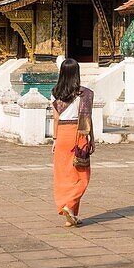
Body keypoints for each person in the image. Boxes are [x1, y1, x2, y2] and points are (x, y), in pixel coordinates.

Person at [50, 58, 93, 227]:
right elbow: (87, 119)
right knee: (82, 175)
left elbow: (55, 118)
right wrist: (92, 139)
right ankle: (69, 205)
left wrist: (54, 139)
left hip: (61, 134)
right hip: (78, 134)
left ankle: (72, 215)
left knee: (63, 174)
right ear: (77, 73)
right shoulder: (84, 93)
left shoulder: (55, 92)